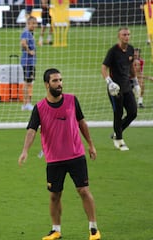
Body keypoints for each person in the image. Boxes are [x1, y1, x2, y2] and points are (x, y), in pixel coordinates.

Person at [18, 68, 101, 240]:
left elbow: (82, 123)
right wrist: (25, 150)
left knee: (84, 190)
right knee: (55, 195)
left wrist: (91, 145)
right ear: (47, 84)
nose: (59, 84)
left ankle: (93, 228)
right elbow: (32, 130)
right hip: (54, 159)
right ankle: (56, 230)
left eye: (61, 80)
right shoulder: (39, 108)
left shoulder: (72, 100)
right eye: (55, 81)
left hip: (76, 155)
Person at [101, 27, 138, 151]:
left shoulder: (131, 50)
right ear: (119, 36)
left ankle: (117, 131)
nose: (126, 36)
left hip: (127, 87)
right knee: (118, 113)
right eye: (124, 34)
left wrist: (136, 82)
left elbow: (131, 67)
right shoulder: (113, 51)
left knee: (133, 112)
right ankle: (119, 140)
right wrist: (109, 82)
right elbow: (104, 68)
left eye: (128, 34)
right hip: (114, 89)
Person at [20, 16, 37, 111]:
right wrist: (29, 51)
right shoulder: (26, 33)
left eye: (36, 23)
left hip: (30, 62)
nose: (35, 25)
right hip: (27, 62)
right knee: (27, 83)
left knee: (29, 82)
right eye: (33, 23)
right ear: (28, 23)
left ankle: (27, 103)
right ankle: (26, 103)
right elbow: (23, 43)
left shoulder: (30, 33)